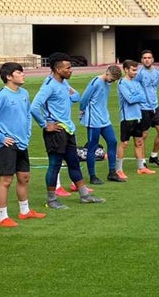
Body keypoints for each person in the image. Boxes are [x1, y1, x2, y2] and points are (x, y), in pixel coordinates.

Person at [31, 53, 104, 208]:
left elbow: (76, 96)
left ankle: (84, 195)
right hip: (56, 131)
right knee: (55, 164)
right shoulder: (49, 86)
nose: (71, 70)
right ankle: (51, 200)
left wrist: (69, 93)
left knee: (74, 162)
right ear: (58, 69)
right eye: (68, 68)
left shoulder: (63, 83)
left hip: (68, 129)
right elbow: (34, 107)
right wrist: (45, 125)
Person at [0, 62, 46, 227]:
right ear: (9, 76)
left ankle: (25, 211)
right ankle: (3, 217)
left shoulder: (23, 93)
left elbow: (27, 115)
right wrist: (1, 137)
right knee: (6, 180)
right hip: (7, 145)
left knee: (24, 177)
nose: (23, 75)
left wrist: (27, 134)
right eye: (19, 72)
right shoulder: (1, 95)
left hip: (22, 142)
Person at [78, 64, 122, 185]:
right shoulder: (96, 82)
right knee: (92, 146)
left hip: (104, 119)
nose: (112, 82)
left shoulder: (107, 83)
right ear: (107, 73)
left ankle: (112, 172)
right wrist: (82, 112)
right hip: (94, 121)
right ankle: (92, 176)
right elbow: (84, 99)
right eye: (112, 79)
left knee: (112, 141)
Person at [117, 58, 153, 178]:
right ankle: (118, 169)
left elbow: (143, 97)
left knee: (139, 142)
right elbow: (130, 99)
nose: (135, 72)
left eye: (136, 70)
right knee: (124, 143)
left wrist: (135, 96)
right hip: (127, 118)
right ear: (126, 70)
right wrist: (136, 96)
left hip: (138, 116)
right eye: (133, 70)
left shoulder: (136, 83)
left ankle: (141, 167)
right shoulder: (122, 83)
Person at [138, 49, 159, 168]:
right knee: (143, 135)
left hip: (155, 106)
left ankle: (154, 156)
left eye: (149, 58)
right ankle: (142, 162)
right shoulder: (139, 74)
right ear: (142, 60)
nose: (147, 60)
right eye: (144, 58)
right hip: (143, 108)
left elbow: (154, 87)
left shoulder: (157, 73)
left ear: (153, 59)